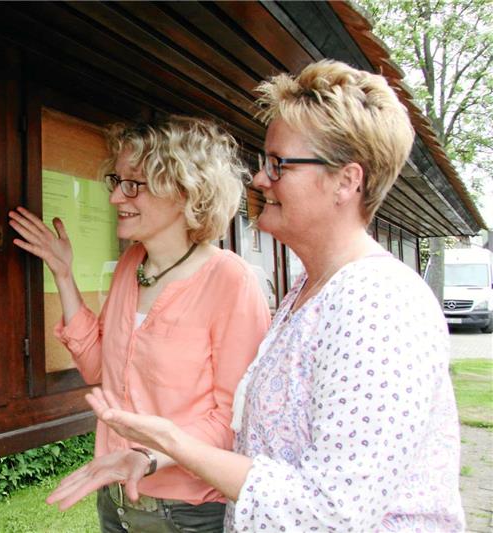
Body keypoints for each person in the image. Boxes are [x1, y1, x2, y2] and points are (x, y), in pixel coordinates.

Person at [48, 60, 465, 532]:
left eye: (278, 165)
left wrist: (167, 446)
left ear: (346, 182)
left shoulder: (378, 305)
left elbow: (332, 513)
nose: (259, 179)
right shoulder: (308, 292)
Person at [9, 116, 270, 532]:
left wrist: (148, 457)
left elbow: (233, 420)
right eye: (117, 180)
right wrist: (63, 273)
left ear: (186, 190)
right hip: (114, 498)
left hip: (186, 512)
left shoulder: (230, 281)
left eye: (135, 184)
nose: (115, 197)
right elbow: (100, 370)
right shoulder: (132, 267)